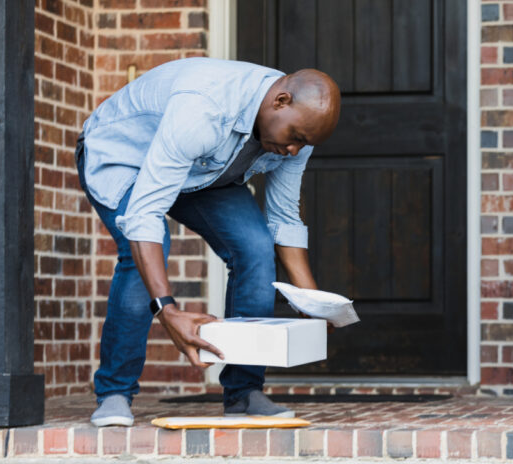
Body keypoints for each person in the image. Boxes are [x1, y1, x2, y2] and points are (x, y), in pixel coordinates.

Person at [75, 58, 341, 426]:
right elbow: (144, 215)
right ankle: (115, 391)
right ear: (280, 101)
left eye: (304, 143)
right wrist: (166, 310)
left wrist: (312, 301)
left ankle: (244, 391)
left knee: (254, 246)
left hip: (201, 172)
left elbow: (284, 218)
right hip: (125, 158)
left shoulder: (299, 132)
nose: (295, 150)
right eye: (294, 137)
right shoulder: (205, 107)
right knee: (145, 249)